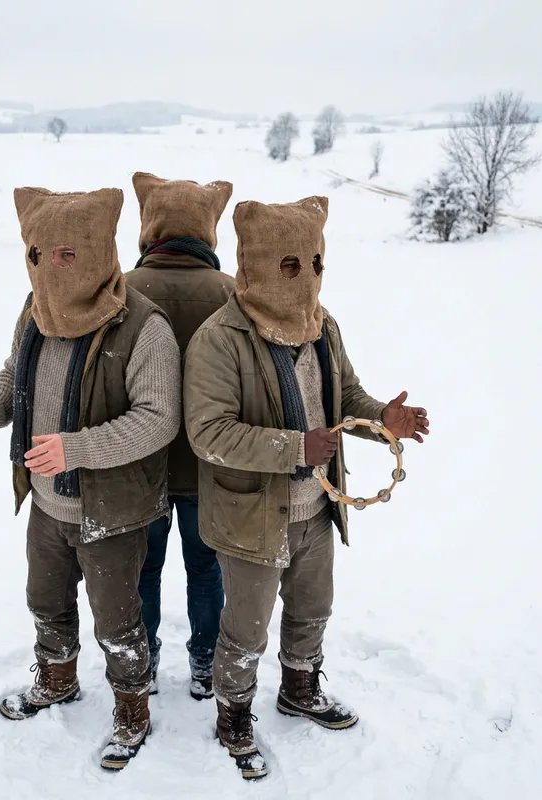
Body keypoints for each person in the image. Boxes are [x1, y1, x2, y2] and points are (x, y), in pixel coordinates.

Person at [183, 195, 429, 780]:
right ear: (256, 262)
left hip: (316, 506)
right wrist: (295, 447)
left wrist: (382, 420)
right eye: (290, 264)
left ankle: (299, 689)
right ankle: (233, 714)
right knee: (246, 628)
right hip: (251, 517)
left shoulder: (323, 325)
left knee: (312, 609)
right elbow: (208, 433)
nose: (306, 276)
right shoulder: (220, 338)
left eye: (314, 263)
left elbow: (344, 397)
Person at [0, 186, 181, 771]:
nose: (48, 268)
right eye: (37, 254)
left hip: (111, 509)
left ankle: (132, 711)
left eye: (64, 255)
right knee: (46, 601)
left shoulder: (143, 325)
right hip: (46, 503)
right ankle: (57, 680)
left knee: (117, 621)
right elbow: (16, 371)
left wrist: (76, 449)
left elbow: (159, 420)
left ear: (95, 250)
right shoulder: (36, 309)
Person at [125, 172, 234, 700]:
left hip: (138, 464)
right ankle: (206, 664)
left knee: (143, 571)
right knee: (206, 570)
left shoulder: (121, 288)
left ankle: (142, 663)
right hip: (209, 465)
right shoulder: (231, 292)